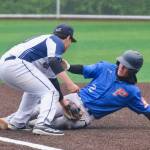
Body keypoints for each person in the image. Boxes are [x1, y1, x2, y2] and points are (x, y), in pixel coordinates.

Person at [1, 50, 150, 130]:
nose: (121, 67)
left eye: (126, 67)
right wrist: (69, 67)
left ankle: (26, 124)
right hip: (73, 99)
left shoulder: (132, 92)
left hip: (85, 116)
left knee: (55, 124)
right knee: (39, 110)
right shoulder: (106, 68)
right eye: (121, 63)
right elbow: (85, 69)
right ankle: (7, 121)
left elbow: (146, 110)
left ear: (133, 71)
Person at [0, 23, 80, 135]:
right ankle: (43, 124)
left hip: (6, 66)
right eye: (71, 41)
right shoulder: (56, 41)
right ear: (68, 37)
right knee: (50, 92)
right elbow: (53, 62)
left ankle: (18, 123)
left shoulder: (46, 45)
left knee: (38, 90)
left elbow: (52, 80)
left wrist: (64, 103)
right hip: (17, 65)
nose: (69, 44)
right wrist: (70, 84)